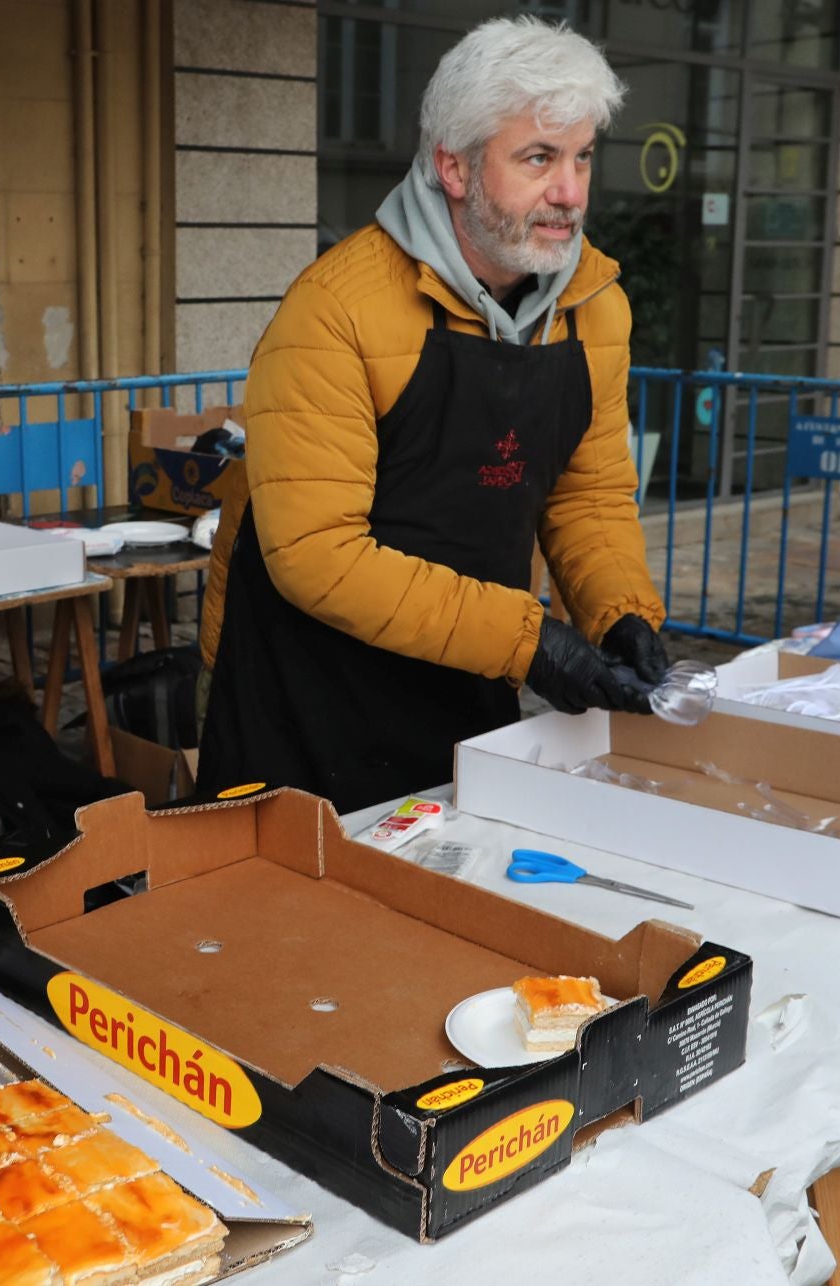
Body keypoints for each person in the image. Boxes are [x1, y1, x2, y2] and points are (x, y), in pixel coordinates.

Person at [198, 18, 670, 812]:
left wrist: (618, 614)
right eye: (538, 158)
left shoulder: (597, 308)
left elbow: (585, 496)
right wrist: (530, 641)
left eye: (583, 156)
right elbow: (318, 554)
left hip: (466, 673)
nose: (571, 192)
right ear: (452, 166)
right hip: (309, 699)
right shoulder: (334, 310)